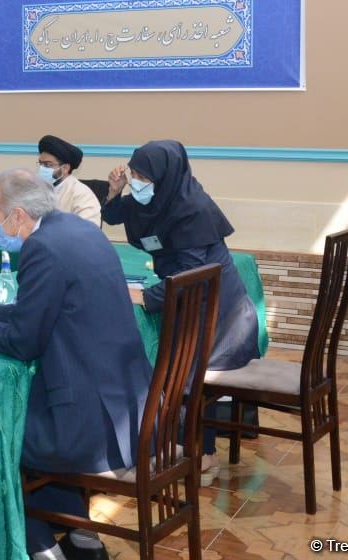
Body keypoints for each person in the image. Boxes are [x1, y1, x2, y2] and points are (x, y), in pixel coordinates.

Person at [0, 168, 151, 560]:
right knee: (32, 418)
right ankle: (82, 539)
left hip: (89, 426)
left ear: (18, 215)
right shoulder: (79, 230)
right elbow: (42, 308)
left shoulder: (42, 248)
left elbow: (24, 342)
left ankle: (41, 549)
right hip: (128, 410)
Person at [102, 139, 258, 482]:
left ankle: (202, 455)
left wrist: (146, 298)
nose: (137, 180)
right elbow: (113, 215)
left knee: (189, 373)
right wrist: (115, 191)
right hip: (187, 296)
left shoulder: (192, 209)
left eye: (144, 175)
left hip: (216, 308)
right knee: (174, 367)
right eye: (134, 172)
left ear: (166, 175)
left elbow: (190, 276)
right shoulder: (157, 198)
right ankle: (175, 445)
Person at [37, 135, 101, 226]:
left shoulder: (81, 194)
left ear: (65, 168)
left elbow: (88, 232)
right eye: (40, 164)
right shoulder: (37, 190)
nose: (42, 168)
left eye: (48, 165)